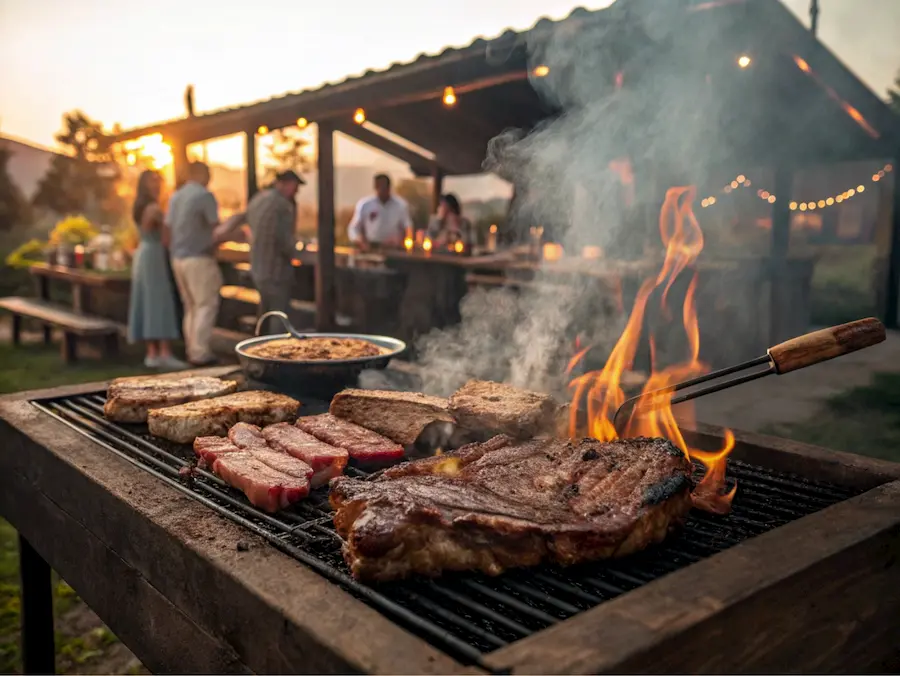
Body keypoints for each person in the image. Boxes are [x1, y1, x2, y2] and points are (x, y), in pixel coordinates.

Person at [127, 170, 186, 370]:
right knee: (160, 302)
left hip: (143, 254)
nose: (157, 185)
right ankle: (164, 353)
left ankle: (152, 354)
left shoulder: (139, 206)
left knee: (148, 301)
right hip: (153, 256)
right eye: (153, 182)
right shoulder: (153, 208)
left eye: (158, 181)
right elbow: (167, 238)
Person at [166, 161, 223, 366]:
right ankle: (200, 353)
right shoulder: (205, 196)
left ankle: (192, 349)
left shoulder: (176, 196)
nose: (210, 179)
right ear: (201, 174)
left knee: (190, 306)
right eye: (208, 174)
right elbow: (216, 228)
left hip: (178, 258)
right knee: (206, 304)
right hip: (199, 257)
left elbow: (168, 228)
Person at [246, 170, 304, 334]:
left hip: (258, 267)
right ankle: (275, 352)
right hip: (276, 270)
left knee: (264, 312)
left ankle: (257, 348)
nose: (296, 191)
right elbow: (284, 241)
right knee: (279, 315)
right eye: (295, 186)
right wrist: (298, 249)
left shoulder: (258, 199)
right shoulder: (282, 205)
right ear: (284, 184)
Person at [347, 174, 412, 250]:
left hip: (394, 248)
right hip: (370, 247)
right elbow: (354, 228)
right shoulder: (365, 205)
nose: (381, 189)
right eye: (378, 186)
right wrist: (359, 239)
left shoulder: (400, 205)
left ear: (389, 187)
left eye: (383, 187)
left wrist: (406, 243)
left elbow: (408, 227)